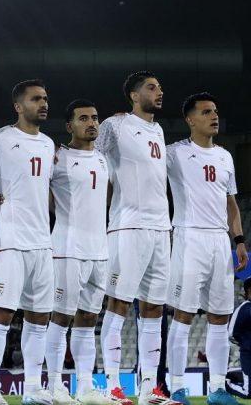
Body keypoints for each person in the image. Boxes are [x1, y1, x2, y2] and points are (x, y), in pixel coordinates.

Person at [96, 71, 176, 405]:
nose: (160, 92)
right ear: (133, 94)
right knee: (118, 305)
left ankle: (149, 389)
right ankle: (113, 387)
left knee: (154, 310)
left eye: (160, 87)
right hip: (128, 227)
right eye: (152, 87)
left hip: (161, 229)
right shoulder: (114, 126)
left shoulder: (157, 129)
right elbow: (91, 158)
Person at [165, 92, 247, 405]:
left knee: (219, 318)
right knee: (183, 315)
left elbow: (231, 204)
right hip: (189, 237)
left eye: (215, 111)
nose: (214, 116)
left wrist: (238, 240)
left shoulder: (225, 156)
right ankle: (176, 387)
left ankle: (217, 389)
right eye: (206, 112)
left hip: (219, 242)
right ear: (189, 119)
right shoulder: (175, 153)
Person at [0, 79, 55, 405]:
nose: (43, 103)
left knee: (39, 319)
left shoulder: (50, 144)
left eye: (45, 98)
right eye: (36, 99)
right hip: (9, 239)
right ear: (18, 106)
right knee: (2, 316)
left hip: (42, 241)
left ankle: (33, 391)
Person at [44, 100, 116, 405]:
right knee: (60, 317)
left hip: (99, 250)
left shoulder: (104, 160)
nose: (92, 123)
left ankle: (86, 387)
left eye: (95, 118)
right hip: (67, 249)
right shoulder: (56, 157)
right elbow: (37, 191)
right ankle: (55, 386)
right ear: (68, 126)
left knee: (88, 318)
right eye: (83, 118)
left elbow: (108, 197)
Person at [227, 278, 251, 399]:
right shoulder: (244, 308)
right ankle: (225, 384)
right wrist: (246, 343)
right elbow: (231, 333)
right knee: (249, 393)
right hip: (248, 354)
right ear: (249, 291)